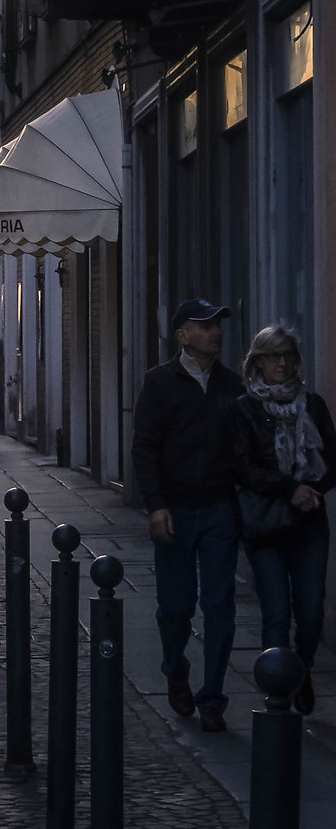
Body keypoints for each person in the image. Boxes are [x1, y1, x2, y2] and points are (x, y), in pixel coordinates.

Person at [130, 297, 243, 732]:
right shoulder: (160, 382)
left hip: (219, 509)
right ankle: (175, 668)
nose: (215, 332)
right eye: (205, 325)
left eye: (217, 325)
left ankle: (212, 698)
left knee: (219, 605)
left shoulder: (232, 385)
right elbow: (145, 447)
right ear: (183, 335)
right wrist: (155, 504)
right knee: (175, 607)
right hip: (175, 509)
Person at [231, 326, 336, 715]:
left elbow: (332, 458)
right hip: (267, 524)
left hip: (309, 522)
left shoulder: (314, 405)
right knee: (276, 612)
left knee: (311, 612)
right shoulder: (245, 409)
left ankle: (300, 671)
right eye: (273, 356)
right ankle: (277, 693)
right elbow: (242, 467)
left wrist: (312, 489)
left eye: (287, 355)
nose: (281, 363)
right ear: (257, 362)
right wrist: (289, 488)